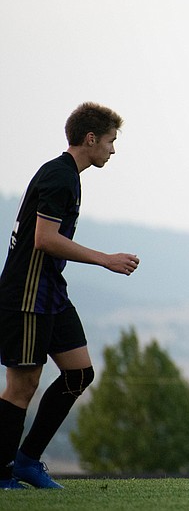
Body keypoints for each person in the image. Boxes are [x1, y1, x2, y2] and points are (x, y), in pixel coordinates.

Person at [0, 103, 140, 490]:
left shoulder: (69, 176)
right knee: (22, 385)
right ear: (91, 138)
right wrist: (105, 260)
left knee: (79, 373)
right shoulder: (59, 176)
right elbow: (44, 240)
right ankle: (2, 471)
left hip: (50, 292)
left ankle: (28, 462)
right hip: (26, 294)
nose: (113, 150)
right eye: (111, 141)